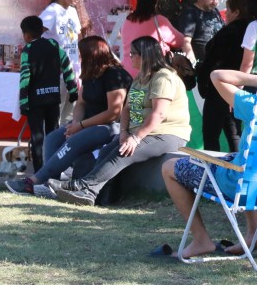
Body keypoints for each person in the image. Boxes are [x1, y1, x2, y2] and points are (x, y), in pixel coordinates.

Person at [162, 49, 257, 258]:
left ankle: (201, 239)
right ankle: (254, 233)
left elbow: (216, 75)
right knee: (246, 162)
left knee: (169, 167)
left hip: (241, 183)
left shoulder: (255, 105)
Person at [50, 36, 191, 206]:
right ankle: (92, 195)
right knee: (105, 152)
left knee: (123, 152)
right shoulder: (140, 78)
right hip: (140, 132)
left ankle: (82, 186)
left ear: (145, 55)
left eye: (133, 54)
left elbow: (159, 114)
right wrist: (124, 132)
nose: (129, 57)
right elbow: (126, 109)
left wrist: (135, 138)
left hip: (166, 134)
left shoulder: (163, 78)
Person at [6, 36, 132, 196]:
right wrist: (75, 123)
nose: (79, 57)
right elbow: (80, 103)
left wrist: (80, 126)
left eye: (81, 54)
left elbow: (113, 113)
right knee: (52, 138)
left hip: (110, 126)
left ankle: (33, 182)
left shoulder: (115, 74)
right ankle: (48, 185)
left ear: (91, 55)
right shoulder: (91, 72)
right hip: (87, 123)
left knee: (74, 141)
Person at [17, 16, 78, 172]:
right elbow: (67, 66)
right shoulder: (53, 44)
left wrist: (23, 102)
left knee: (37, 138)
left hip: (35, 102)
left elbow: (25, 77)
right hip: (53, 99)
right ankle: (53, 169)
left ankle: (39, 172)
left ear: (26, 35)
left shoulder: (27, 50)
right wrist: (72, 89)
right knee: (53, 135)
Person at [196, 0, 251, 151]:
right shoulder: (252, 30)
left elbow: (214, 60)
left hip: (219, 86)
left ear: (237, 12)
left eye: (228, 10)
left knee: (211, 133)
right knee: (234, 132)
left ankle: (211, 165)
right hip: (239, 88)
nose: (225, 13)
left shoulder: (229, 32)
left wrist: (203, 83)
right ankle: (237, 163)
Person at [39, 0, 83, 122]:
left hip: (73, 72)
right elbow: (34, 35)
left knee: (69, 119)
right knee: (53, 118)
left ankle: (62, 139)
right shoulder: (52, 11)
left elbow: (77, 39)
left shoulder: (72, 11)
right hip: (56, 73)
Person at [120, 0, 186, 77]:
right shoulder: (160, 21)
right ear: (155, 0)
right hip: (150, 74)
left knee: (136, 89)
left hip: (127, 73)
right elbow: (180, 41)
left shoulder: (128, 21)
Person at [177, 0, 224, 65]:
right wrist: (193, 64)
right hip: (201, 64)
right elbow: (185, 42)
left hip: (217, 63)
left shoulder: (215, 11)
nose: (215, 2)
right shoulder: (190, 13)